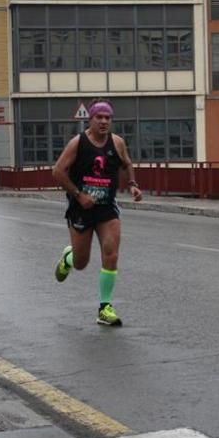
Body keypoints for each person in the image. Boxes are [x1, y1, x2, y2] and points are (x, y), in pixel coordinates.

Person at [52, 99, 143, 327]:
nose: (104, 121)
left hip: (106, 207)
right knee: (82, 263)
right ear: (90, 119)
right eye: (99, 117)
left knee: (111, 253)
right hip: (81, 208)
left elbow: (127, 163)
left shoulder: (117, 142)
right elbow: (58, 171)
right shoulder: (78, 143)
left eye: (107, 118)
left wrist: (132, 183)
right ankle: (68, 257)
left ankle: (105, 308)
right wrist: (79, 194)